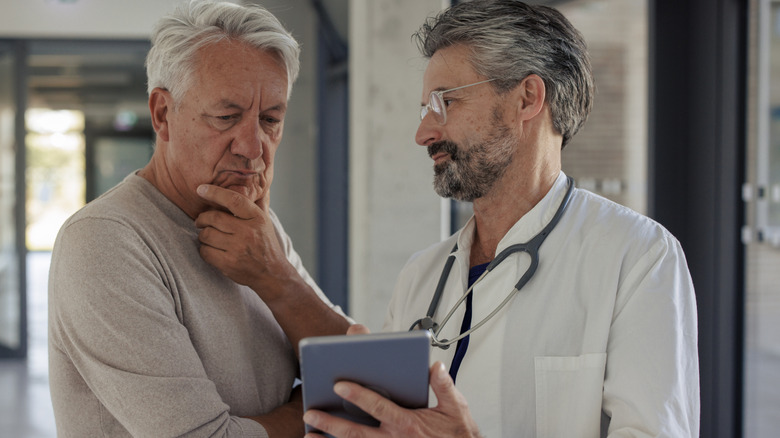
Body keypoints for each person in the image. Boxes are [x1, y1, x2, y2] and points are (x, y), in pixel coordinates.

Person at [303, 1, 700, 437]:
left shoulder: (639, 259)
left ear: (527, 98)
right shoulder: (421, 276)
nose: (424, 133)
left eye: (446, 102)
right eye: (424, 109)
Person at [48, 1, 350, 437]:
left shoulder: (259, 231)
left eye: (270, 120)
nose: (253, 146)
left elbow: (369, 379)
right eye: (226, 117)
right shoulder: (104, 242)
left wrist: (276, 277)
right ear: (162, 114)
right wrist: (317, 412)